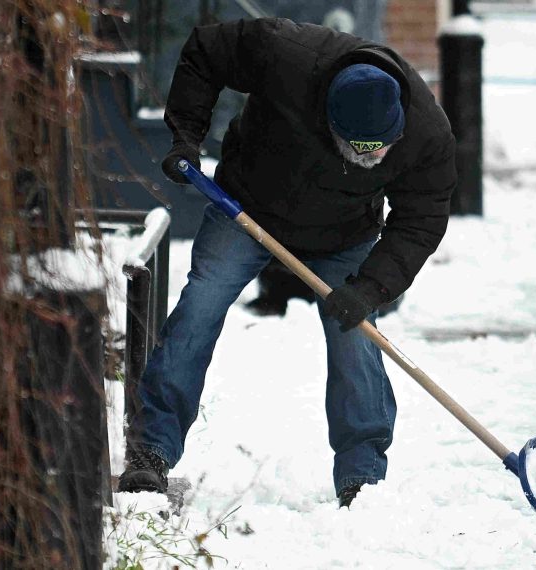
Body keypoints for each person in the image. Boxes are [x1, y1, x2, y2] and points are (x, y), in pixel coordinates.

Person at [118, 17, 456, 508]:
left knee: (355, 340)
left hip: (346, 235)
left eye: (380, 149)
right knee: (199, 308)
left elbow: (420, 221)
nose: (372, 155)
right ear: (328, 116)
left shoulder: (428, 135)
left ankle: (362, 479)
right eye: (356, 147)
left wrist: (371, 288)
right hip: (248, 209)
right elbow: (208, 49)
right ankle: (152, 449)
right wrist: (186, 135)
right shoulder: (286, 56)